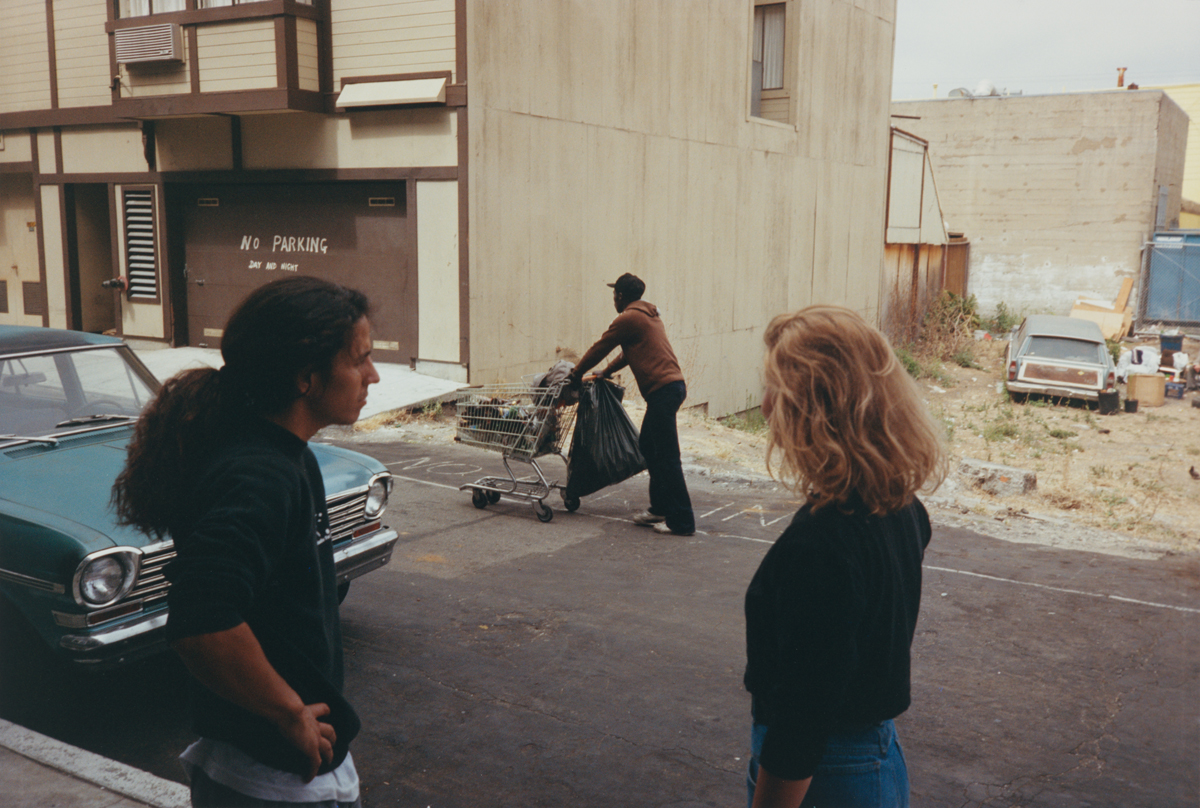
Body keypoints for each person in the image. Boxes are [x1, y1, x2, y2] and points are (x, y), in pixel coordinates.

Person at [112, 276, 380, 808]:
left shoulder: (284, 454)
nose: (372, 375)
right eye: (359, 360)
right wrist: (287, 710)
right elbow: (202, 619)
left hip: (276, 770)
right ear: (306, 377)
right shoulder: (259, 475)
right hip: (270, 782)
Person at [743, 305, 948, 808]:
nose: (766, 407)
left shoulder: (819, 546)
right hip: (874, 755)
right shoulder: (902, 509)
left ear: (815, 407)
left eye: (775, 389)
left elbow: (803, 719)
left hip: (824, 775)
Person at [568, 273, 695, 536]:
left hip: (663, 391)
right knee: (649, 445)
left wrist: (577, 373)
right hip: (670, 389)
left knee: (668, 457)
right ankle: (659, 508)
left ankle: (682, 522)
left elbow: (600, 346)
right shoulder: (647, 316)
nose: (613, 298)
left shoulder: (628, 318)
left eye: (614, 294)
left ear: (621, 296)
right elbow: (629, 351)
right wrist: (606, 371)